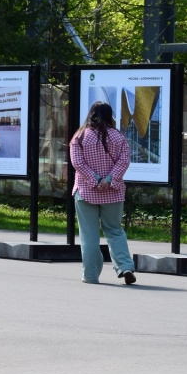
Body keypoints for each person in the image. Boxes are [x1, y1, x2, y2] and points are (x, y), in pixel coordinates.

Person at [69, 101, 135, 285]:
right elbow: (124, 162)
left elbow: (78, 164)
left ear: (91, 114)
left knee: (89, 234)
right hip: (113, 193)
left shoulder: (80, 137)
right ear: (109, 115)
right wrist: (108, 180)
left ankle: (90, 276)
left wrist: (95, 180)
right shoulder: (119, 137)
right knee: (114, 231)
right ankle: (125, 267)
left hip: (86, 192)